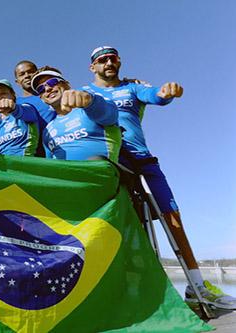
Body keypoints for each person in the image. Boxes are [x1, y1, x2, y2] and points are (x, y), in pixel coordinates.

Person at [83, 46, 236, 310]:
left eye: (113, 58)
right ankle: (136, 292)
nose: (109, 62)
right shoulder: (87, 93)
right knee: (124, 224)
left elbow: (156, 95)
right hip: (114, 161)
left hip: (143, 159)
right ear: (93, 67)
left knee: (172, 216)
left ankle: (197, 286)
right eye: (102, 59)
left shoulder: (132, 88)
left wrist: (167, 92)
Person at [30, 67, 120, 162]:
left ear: (67, 85)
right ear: (42, 98)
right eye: (41, 89)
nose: (47, 89)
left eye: (52, 82)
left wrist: (89, 101)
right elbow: (51, 164)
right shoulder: (47, 131)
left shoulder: (90, 108)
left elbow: (109, 116)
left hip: (103, 173)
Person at [0, 79, 40, 157]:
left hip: (26, 165)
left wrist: (13, 108)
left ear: (13, 94)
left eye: (3, 93)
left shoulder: (28, 108)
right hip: (3, 167)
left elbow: (24, 112)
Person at [14, 60, 55, 129]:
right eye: (22, 74)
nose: (27, 75)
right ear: (17, 82)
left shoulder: (52, 94)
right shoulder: (15, 105)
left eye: (30, 72)